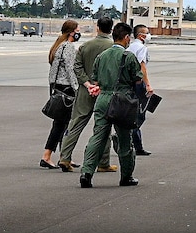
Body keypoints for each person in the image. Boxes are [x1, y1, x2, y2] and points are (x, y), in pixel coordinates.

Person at [79, 21, 143, 188]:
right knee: (124, 139)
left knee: (98, 136)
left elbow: (95, 78)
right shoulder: (128, 56)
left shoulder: (102, 56)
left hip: (103, 99)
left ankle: (86, 172)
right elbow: (137, 78)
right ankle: (126, 176)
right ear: (126, 38)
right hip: (122, 100)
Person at [56, 16, 116, 173]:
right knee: (103, 126)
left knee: (75, 123)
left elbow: (77, 67)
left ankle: (65, 157)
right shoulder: (113, 47)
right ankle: (103, 162)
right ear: (111, 28)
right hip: (105, 91)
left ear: (97, 27)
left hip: (84, 90)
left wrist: (87, 83)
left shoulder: (85, 46)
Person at [41, 20, 80, 168]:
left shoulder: (58, 45)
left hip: (57, 85)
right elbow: (70, 69)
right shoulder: (68, 47)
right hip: (66, 87)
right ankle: (48, 155)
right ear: (71, 32)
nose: (78, 33)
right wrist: (76, 87)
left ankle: (65, 156)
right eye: (77, 31)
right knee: (62, 123)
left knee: (63, 123)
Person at [124, 26, 154, 156]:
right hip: (138, 83)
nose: (149, 35)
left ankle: (133, 142)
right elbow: (142, 67)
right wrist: (148, 85)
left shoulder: (129, 48)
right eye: (147, 33)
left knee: (131, 112)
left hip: (128, 83)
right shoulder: (141, 48)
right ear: (141, 35)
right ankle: (135, 142)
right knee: (140, 114)